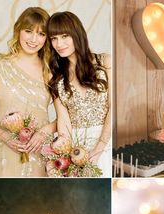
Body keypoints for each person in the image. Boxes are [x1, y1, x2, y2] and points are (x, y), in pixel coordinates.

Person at [0, 7, 56, 177]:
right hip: (8, 152)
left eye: (41, 34)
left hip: (42, 150)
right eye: (28, 31)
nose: (34, 39)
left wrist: (46, 131)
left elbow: (68, 115)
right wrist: (5, 136)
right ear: (18, 30)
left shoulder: (50, 72)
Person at [47, 11, 111, 177]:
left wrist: (99, 147)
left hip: (107, 139)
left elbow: (114, 108)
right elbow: (64, 121)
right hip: (76, 147)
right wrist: (63, 157)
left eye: (64, 36)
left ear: (77, 34)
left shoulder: (105, 62)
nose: (59, 43)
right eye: (54, 38)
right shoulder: (56, 76)